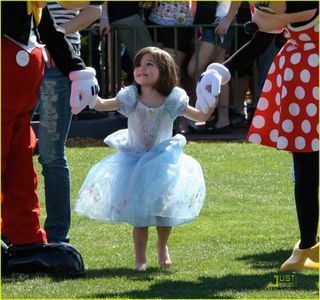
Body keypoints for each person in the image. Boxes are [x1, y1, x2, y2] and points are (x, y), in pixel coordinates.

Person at [75, 46, 230, 271]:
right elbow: (101, 105)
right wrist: (88, 91)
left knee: (162, 212)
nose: (141, 68)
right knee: (140, 216)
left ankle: (162, 246)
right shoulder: (130, 96)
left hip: (163, 163)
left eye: (150, 64)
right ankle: (140, 258)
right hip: (134, 162)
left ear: (164, 71)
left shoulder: (172, 99)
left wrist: (210, 98)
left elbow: (200, 116)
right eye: (139, 64)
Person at [197, 1, 319, 272]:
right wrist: (221, 70)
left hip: (305, 75)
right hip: (300, 80)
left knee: (306, 165)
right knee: (305, 165)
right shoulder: (277, 12)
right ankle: (309, 244)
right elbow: (260, 39)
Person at [2, 1, 99, 276]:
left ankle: (25, 238)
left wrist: (76, 68)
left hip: (20, 106)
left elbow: (51, 32)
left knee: (21, 170)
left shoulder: (34, 6)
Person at [36, 2, 101, 244]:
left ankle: (56, 235)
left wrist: (55, 38)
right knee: (10, 150)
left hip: (59, 64)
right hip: (21, 59)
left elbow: (95, 9)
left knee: (51, 155)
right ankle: (15, 230)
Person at [188, 1, 235, 134]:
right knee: (218, 72)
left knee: (194, 69)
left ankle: (206, 115)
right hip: (212, 23)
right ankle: (222, 121)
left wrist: (227, 20)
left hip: (219, 22)